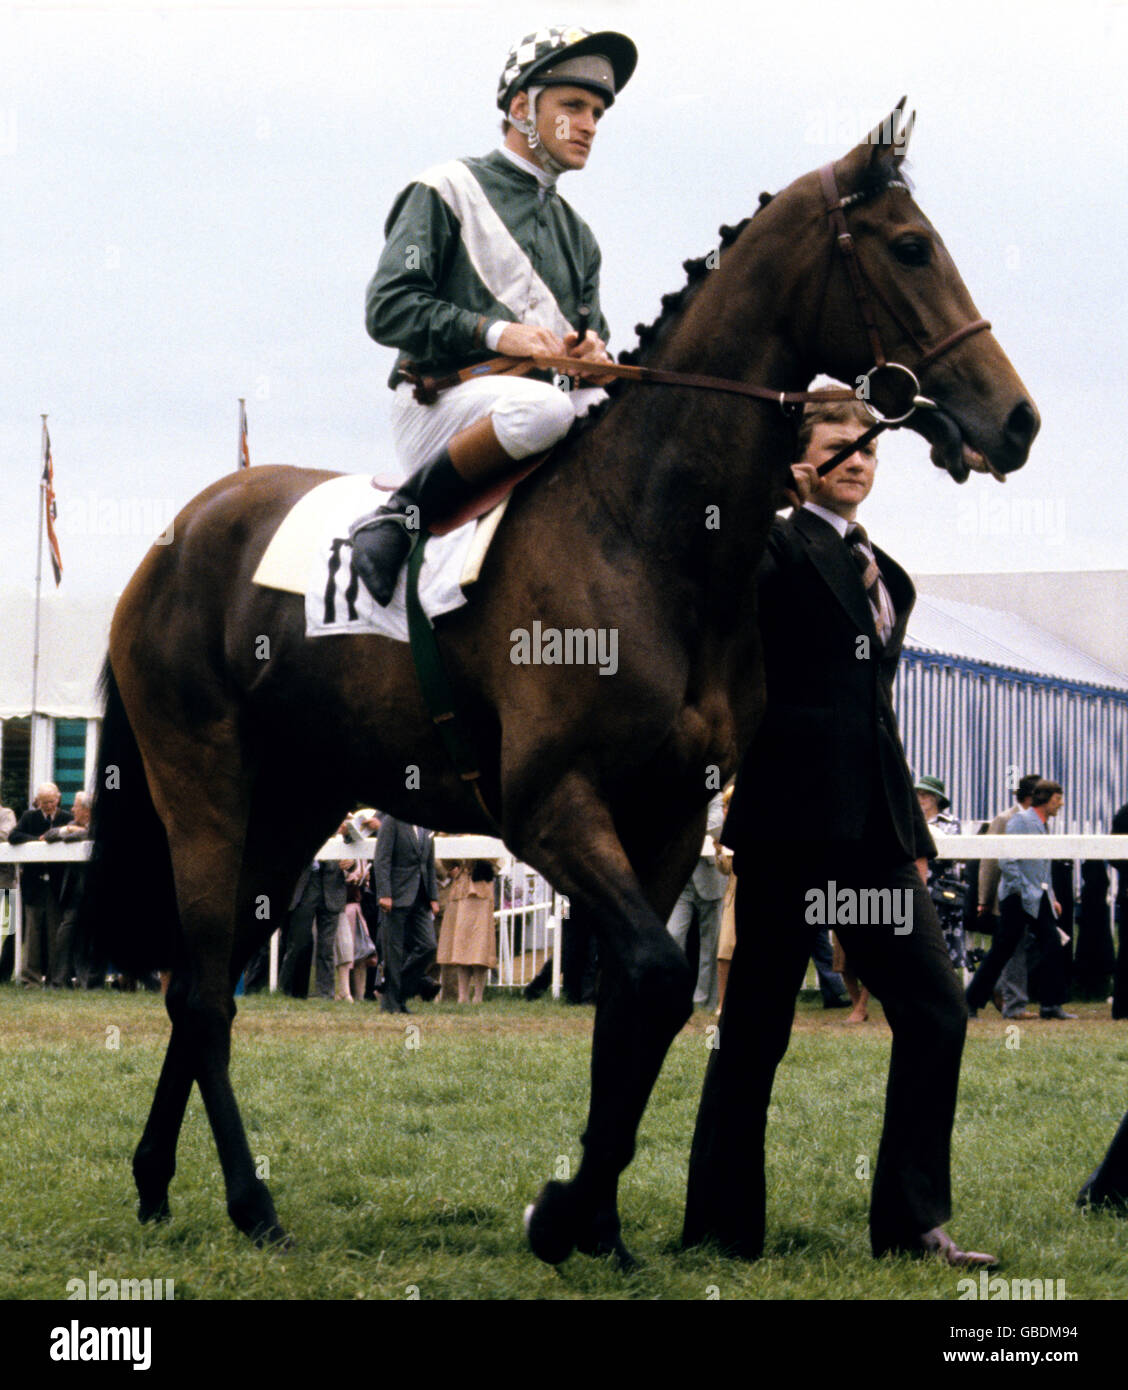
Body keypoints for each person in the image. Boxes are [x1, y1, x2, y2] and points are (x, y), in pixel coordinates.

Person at [683, 391, 994, 1268]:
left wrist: (910, 836)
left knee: (936, 1010)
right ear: (798, 463)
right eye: (839, 447)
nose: (858, 460)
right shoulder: (772, 545)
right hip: (790, 829)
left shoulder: (889, 573)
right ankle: (721, 1230)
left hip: (875, 837)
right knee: (756, 1030)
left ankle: (912, 1225)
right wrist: (761, 488)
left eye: (869, 451)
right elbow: (721, 568)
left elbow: (871, 712)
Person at [349, 24, 635, 606]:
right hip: (442, 401)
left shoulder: (580, 237)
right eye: (573, 106)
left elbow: (591, 338)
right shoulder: (444, 188)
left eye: (598, 114)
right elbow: (388, 308)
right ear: (522, 108)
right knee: (546, 408)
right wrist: (499, 333)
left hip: (532, 409)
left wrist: (593, 355)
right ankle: (399, 516)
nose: (588, 125)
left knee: (619, 418)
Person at [966, 779, 1075, 1020]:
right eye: (1057, 799)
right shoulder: (1020, 821)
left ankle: (1051, 1004)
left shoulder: (1040, 824)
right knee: (1003, 950)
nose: (1061, 804)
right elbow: (1007, 859)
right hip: (1018, 897)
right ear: (1045, 799)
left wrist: (1049, 895)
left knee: (1051, 944)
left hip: (1035, 896)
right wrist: (1021, 890)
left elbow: (1041, 865)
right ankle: (970, 1001)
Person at [977, 773, 1041, 1019]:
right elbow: (990, 861)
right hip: (1008, 897)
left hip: (1032, 896)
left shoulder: (1036, 820)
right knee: (1010, 950)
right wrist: (984, 899)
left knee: (1020, 947)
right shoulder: (1005, 819)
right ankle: (1006, 998)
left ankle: (1003, 994)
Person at [666, 791, 727, 1011]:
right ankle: (672, 996)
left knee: (710, 946)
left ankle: (704, 1001)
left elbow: (716, 824)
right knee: (673, 936)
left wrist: (685, 828)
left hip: (710, 878)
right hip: (682, 880)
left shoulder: (715, 796)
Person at [373, 816, 440, 1013]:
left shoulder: (426, 824)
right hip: (395, 896)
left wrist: (433, 897)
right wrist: (384, 893)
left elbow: (429, 864)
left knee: (428, 946)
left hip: (421, 897)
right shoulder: (392, 821)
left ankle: (397, 993)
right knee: (393, 952)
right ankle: (392, 1004)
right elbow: (382, 859)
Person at [9, 782, 72, 986]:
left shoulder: (66, 818)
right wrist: (39, 840)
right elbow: (14, 836)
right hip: (34, 884)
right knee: (32, 932)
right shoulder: (29, 817)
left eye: (51, 801)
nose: (48, 806)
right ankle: (31, 978)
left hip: (56, 885)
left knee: (55, 932)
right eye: (44, 802)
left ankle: (55, 978)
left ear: (58, 799)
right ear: (38, 802)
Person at [914, 774, 970, 975]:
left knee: (944, 936)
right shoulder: (912, 820)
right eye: (918, 794)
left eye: (925, 795)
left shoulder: (950, 822)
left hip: (942, 887)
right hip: (917, 883)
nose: (920, 799)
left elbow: (952, 854)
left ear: (936, 798)